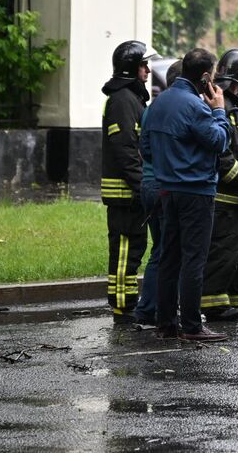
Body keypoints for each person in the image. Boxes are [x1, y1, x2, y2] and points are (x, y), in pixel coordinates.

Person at [143, 47, 231, 342]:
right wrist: (219, 110)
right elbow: (218, 142)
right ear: (206, 77)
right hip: (196, 191)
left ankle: (165, 324)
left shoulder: (158, 103)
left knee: (169, 258)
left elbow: (145, 148)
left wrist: (171, 163)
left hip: (167, 190)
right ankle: (192, 326)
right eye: (214, 75)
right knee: (194, 259)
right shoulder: (196, 106)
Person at [200, 48, 238, 322]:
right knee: (223, 250)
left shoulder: (233, 106)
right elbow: (222, 154)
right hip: (224, 196)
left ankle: (233, 300)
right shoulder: (221, 106)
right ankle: (213, 304)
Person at [100, 40, 154, 324]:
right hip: (125, 192)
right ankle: (122, 307)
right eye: (144, 64)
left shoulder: (131, 98)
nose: (148, 69)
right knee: (124, 250)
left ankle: (128, 303)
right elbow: (125, 149)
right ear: (132, 68)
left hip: (131, 190)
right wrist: (141, 184)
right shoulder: (122, 100)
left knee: (133, 248)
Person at [130, 58, 180, 328]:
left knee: (159, 249)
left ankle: (151, 308)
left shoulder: (152, 108)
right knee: (167, 251)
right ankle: (152, 309)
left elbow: (144, 148)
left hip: (150, 184)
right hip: (164, 185)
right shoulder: (179, 107)